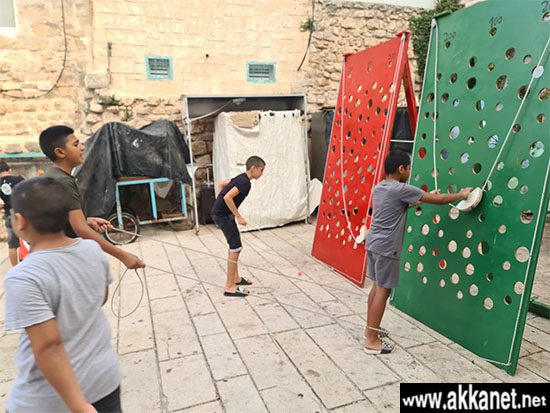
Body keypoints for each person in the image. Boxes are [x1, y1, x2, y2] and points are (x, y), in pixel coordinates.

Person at [4, 177, 122, 412]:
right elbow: (100, 297)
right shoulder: (92, 249)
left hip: (51, 400)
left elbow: (49, 347)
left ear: (20, 221)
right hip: (104, 381)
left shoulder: (23, 276)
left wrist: (79, 406)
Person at [364, 150, 471, 354]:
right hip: (387, 247)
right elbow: (440, 200)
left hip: (373, 243)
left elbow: (399, 205)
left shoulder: (380, 187)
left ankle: (370, 330)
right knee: (383, 291)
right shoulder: (401, 188)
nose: (410, 171)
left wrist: (423, 199)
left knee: (376, 287)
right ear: (401, 169)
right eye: (409, 168)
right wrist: (462, 194)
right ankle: (371, 341)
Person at [39, 125, 144, 269]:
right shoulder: (62, 181)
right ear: (60, 152)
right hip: (63, 259)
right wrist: (123, 256)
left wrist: (86, 220)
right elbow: (80, 229)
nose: (82, 148)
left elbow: (61, 218)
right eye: (76, 144)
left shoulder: (55, 176)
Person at [210, 156, 265, 297]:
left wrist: (219, 205)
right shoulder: (245, 183)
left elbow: (222, 184)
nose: (262, 173)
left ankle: (235, 278)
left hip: (221, 214)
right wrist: (238, 216)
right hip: (223, 216)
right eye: (261, 170)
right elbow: (227, 197)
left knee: (234, 246)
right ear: (253, 168)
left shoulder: (241, 178)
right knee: (235, 247)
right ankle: (229, 287)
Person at [0, 161, 24, 266]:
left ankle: (15, 268)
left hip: (9, 215)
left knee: (12, 245)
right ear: (9, 169)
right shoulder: (19, 179)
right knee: (29, 242)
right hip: (23, 214)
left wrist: (5, 205)